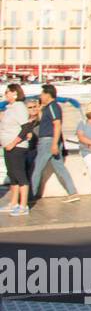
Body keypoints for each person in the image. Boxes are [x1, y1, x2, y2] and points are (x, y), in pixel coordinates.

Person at [31, 84, 79, 205]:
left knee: (37, 168)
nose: (40, 96)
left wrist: (54, 144)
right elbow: (42, 120)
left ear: (48, 94)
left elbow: (57, 124)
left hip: (48, 141)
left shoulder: (53, 107)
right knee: (60, 168)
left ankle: (30, 194)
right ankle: (72, 192)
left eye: (42, 94)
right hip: (51, 141)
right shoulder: (48, 107)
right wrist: (40, 108)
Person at [2, 84, 31, 216]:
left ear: (14, 93)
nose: (5, 94)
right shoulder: (10, 108)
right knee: (12, 175)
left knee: (20, 176)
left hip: (17, 147)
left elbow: (25, 128)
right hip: (7, 146)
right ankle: (13, 203)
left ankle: (23, 206)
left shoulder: (19, 108)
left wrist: (13, 143)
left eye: (7, 92)